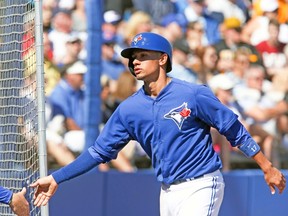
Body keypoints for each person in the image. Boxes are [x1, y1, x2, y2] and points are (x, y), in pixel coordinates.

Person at [30, 32, 286, 215]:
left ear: (163, 59)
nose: (135, 62)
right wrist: (56, 177)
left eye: (143, 55)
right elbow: (98, 152)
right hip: (167, 192)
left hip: (201, 184)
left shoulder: (192, 94)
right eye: (132, 58)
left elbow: (232, 128)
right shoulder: (129, 108)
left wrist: (266, 166)